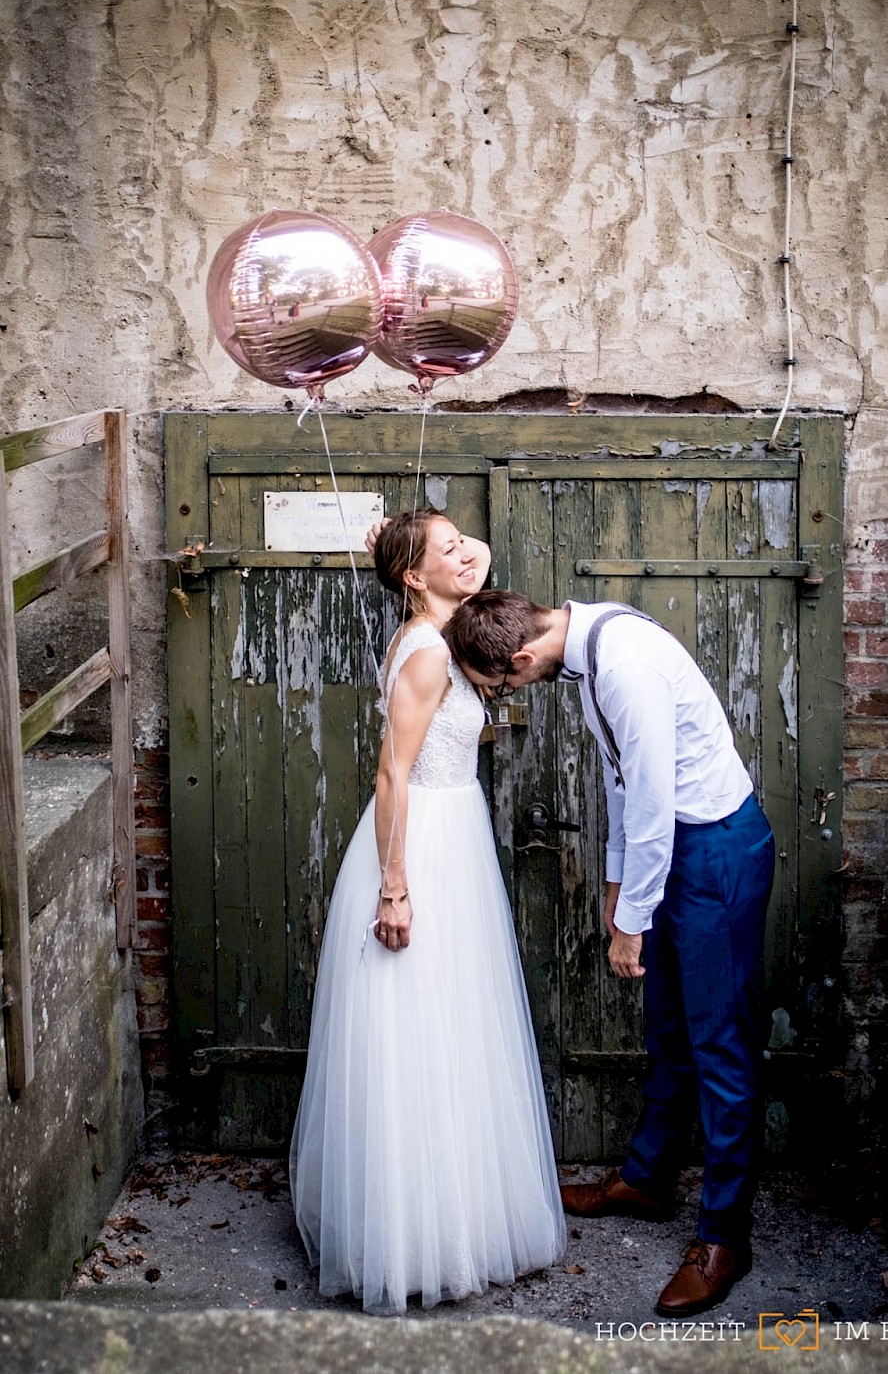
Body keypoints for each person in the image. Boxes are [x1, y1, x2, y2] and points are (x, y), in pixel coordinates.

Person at [442, 589, 775, 1317]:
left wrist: (630, 925)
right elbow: (621, 781)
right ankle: (649, 1179)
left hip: (713, 852)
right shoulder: (588, 651)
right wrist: (621, 884)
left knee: (721, 1047)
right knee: (666, 1031)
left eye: (502, 684)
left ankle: (725, 1236)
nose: (505, 695)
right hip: (671, 852)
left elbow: (655, 801)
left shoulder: (622, 664)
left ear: (523, 656)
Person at [289, 514, 564, 1314]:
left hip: (458, 838)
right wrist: (395, 886)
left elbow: (477, 556)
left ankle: (459, 1219)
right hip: (423, 849)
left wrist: (414, 537)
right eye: (446, 550)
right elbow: (390, 776)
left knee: (453, 1030)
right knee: (415, 1031)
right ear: (415, 580)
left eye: (461, 542)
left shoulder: (449, 626)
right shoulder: (426, 651)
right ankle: (405, 1237)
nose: (467, 554)